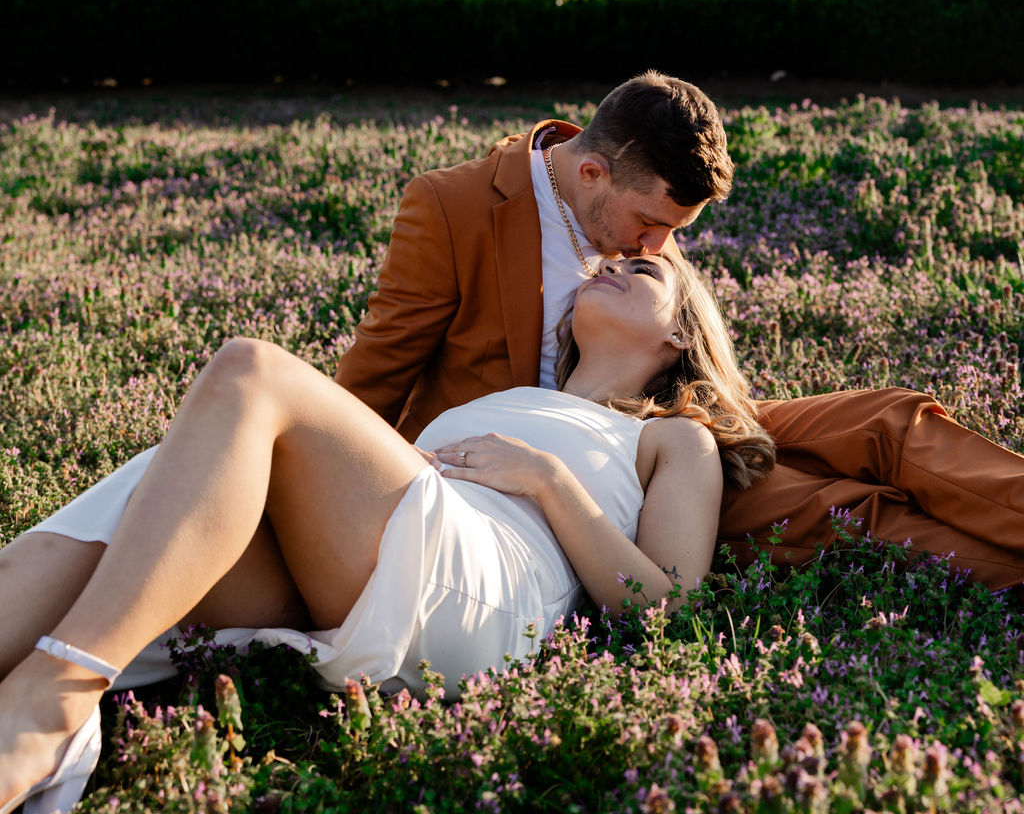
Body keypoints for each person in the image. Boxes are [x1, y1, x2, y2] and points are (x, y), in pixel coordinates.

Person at [0, 248, 772, 814]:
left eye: (644, 271)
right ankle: (40, 704)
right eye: (612, 260)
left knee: (249, 370)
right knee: (152, 493)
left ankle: (57, 696)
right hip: (379, 556)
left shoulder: (675, 439)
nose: (614, 263)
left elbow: (670, 609)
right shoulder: (502, 397)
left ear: (679, 335)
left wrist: (549, 479)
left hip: (487, 593)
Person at [337, 69, 1024, 591]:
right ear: (591, 172)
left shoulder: (633, 194)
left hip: (668, 409)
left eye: (674, 233)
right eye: (652, 224)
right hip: (601, 471)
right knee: (845, 514)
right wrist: (354, 493)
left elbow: (669, 324)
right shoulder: (453, 207)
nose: (660, 244)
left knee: (890, 419)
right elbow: (381, 368)